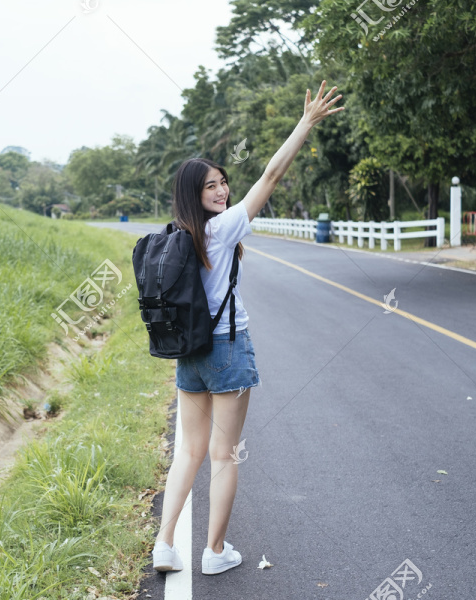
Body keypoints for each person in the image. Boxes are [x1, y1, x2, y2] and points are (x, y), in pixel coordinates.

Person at [151, 81, 344, 576]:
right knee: (223, 456)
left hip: (189, 353)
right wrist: (305, 123)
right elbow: (273, 174)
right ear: (195, 196)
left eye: (222, 183)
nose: (222, 191)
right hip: (227, 350)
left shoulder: (179, 235)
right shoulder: (222, 228)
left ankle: (165, 544)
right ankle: (214, 553)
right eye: (210, 186)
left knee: (186, 453)